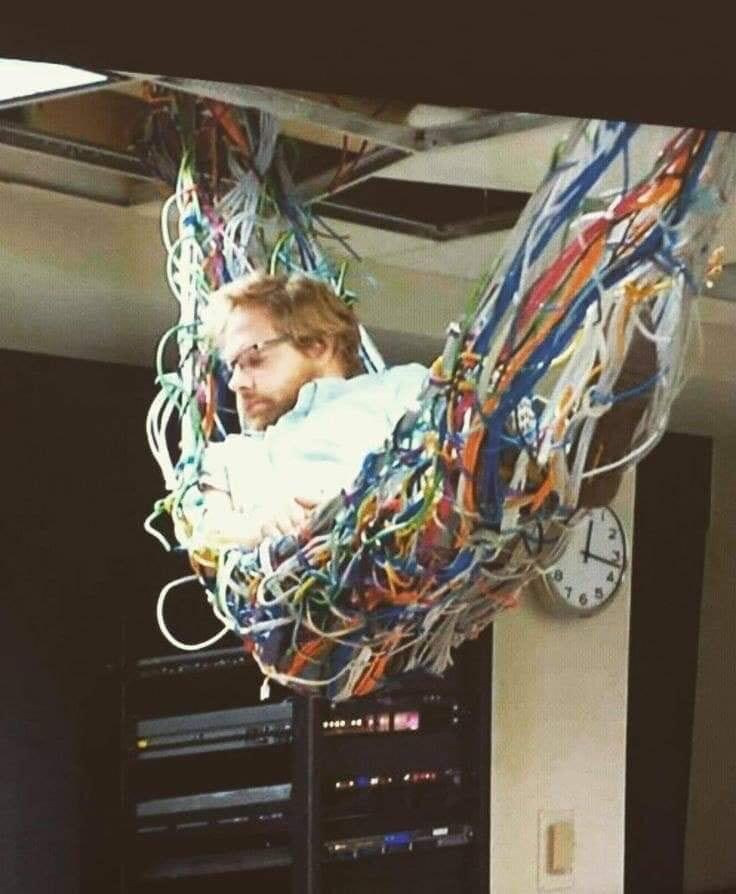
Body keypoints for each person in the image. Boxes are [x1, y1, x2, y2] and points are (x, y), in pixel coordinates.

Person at [195, 271, 428, 551]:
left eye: (253, 358)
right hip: (294, 580)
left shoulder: (401, 387)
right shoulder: (230, 456)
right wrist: (257, 529)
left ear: (318, 344)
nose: (235, 383)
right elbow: (206, 541)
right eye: (231, 367)